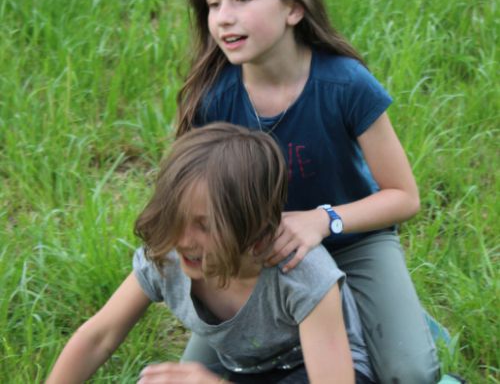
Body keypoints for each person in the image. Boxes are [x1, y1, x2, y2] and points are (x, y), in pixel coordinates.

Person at [176, 0, 440, 383]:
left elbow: (403, 196)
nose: (224, 17)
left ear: (294, 8)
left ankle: (392, 317)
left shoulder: (346, 85)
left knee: (411, 372)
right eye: (214, 4)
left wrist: (323, 220)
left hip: (353, 242)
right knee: (193, 375)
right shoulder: (213, 98)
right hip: (259, 255)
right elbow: (193, 199)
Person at [46, 123, 375, 384]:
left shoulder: (302, 273)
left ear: (254, 228)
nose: (183, 240)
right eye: (177, 219)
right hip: (248, 370)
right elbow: (98, 337)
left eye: (205, 226)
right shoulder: (166, 254)